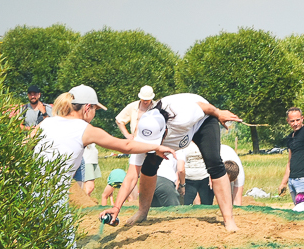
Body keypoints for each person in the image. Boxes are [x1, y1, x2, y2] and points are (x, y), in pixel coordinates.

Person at [29, 85, 174, 249]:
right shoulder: (85, 130)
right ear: (87, 108)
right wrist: (156, 147)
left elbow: (23, 147)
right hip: (53, 202)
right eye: (95, 109)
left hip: (29, 200)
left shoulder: (45, 124)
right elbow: (125, 146)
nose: (94, 113)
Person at [100, 93, 241, 231]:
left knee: (214, 162)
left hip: (202, 120)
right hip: (178, 129)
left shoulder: (182, 116)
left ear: (165, 132)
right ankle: (142, 212)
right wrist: (116, 207)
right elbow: (131, 176)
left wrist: (219, 113)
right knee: (149, 166)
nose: (151, 147)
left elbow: (203, 107)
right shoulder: (141, 134)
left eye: (154, 143)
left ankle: (229, 220)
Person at [278, 107, 304, 199]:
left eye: (298, 120)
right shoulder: (290, 137)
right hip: (292, 179)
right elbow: (290, 161)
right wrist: (284, 182)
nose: (295, 123)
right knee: (298, 209)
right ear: (288, 121)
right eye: (292, 121)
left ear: (302, 118)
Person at [175, 141, 212, 206]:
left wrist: (211, 177)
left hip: (205, 178)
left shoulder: (204, 142)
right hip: (189, 180)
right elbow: (180, 167)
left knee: (207, 206)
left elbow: (211, 160)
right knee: (186, 207)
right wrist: (181, 182)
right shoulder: (183, 144)